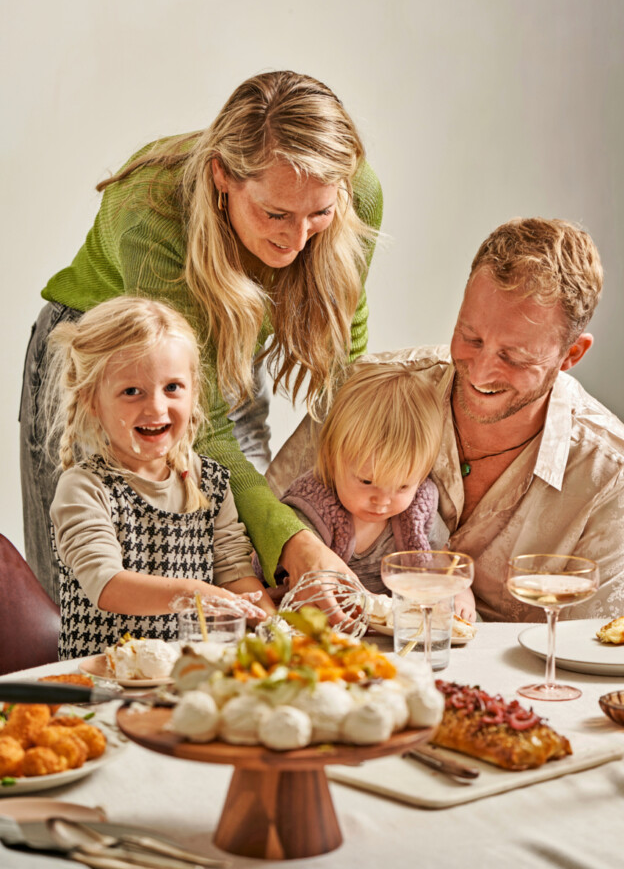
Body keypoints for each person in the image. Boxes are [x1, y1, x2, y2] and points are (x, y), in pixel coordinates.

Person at [20, 70, 383, 603]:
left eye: (320, 214)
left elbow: (346, 362)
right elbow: (200, 426)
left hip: (228, 345)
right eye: (275, 213)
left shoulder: (359, 190)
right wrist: (295, 545)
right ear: (222, 176)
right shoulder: (152, 210)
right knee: (89, 590)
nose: (298, 239)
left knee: (241, 570)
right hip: (107, 372)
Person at [267, 218, 624, 622]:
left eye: (515, 357)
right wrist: (296, 545)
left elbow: (598, 645)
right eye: (470, 338)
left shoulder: (614, 475)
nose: (480, 372)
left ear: (570, 356)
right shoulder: (365, 393)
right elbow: (260, 523)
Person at [46, 297, 275, 659]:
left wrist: (274, 627)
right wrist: (196, 594)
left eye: (172, 388)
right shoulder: (84, 489)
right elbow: (107, 586)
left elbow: (233, 571)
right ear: (92, 400)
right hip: (103, 686)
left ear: (194, 390)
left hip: (186, 680)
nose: (156, 407)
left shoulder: (210, 482)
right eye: (131, 392)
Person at [279, 364, 476, 620]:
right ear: (332, 459)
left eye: (403, 486)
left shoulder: (419, 508)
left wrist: (461, 597)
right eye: (366, 481)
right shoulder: (313, 507)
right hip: (331, 623)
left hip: (399, 627)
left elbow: (444, 563)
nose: (382, 501)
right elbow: (294, 575)